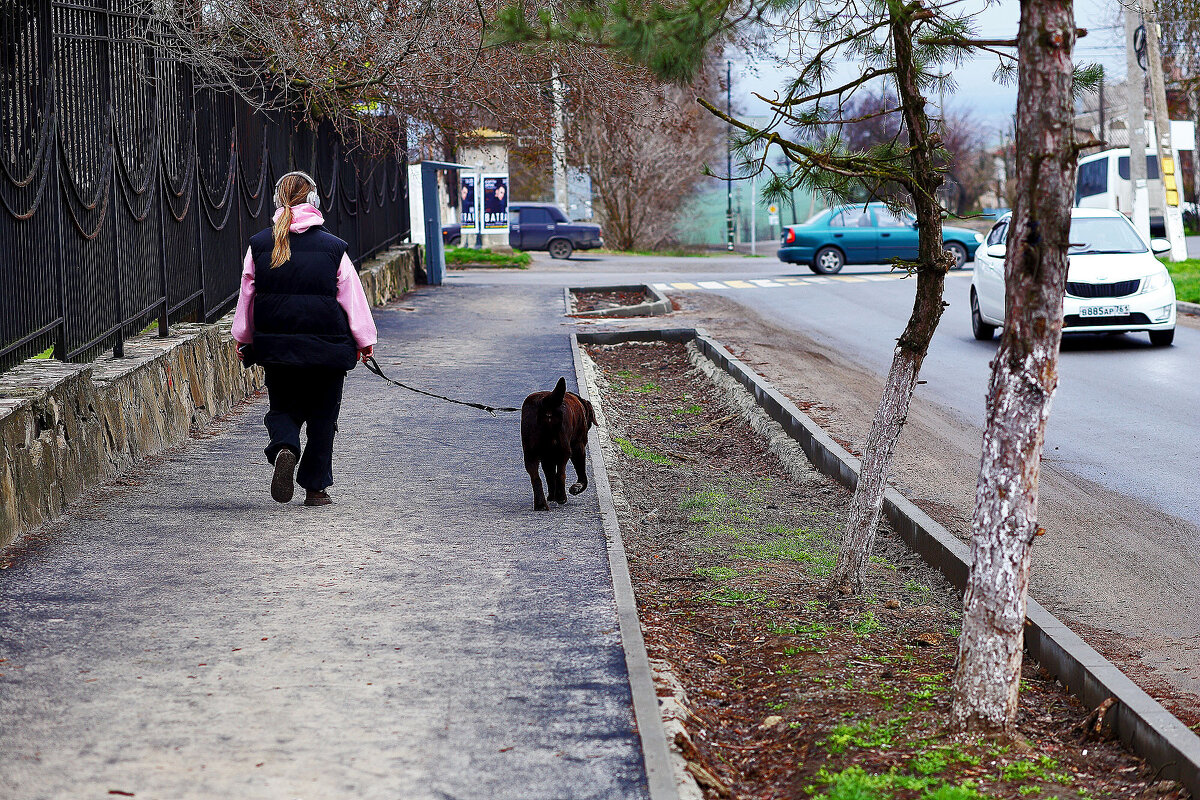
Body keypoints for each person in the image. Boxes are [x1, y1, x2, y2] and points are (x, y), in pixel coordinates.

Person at [231, 171, 377, 506]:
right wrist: (363, 340)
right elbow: (351, 298)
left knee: (282, 408)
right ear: (314, 202)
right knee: (323, 419)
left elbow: (247, 297)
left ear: (277, 202)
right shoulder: (334, 248)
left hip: (278, 350)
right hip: (327, 351)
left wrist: (245, 338)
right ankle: (315, 489)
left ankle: (285, 446)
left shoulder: (259, 245)